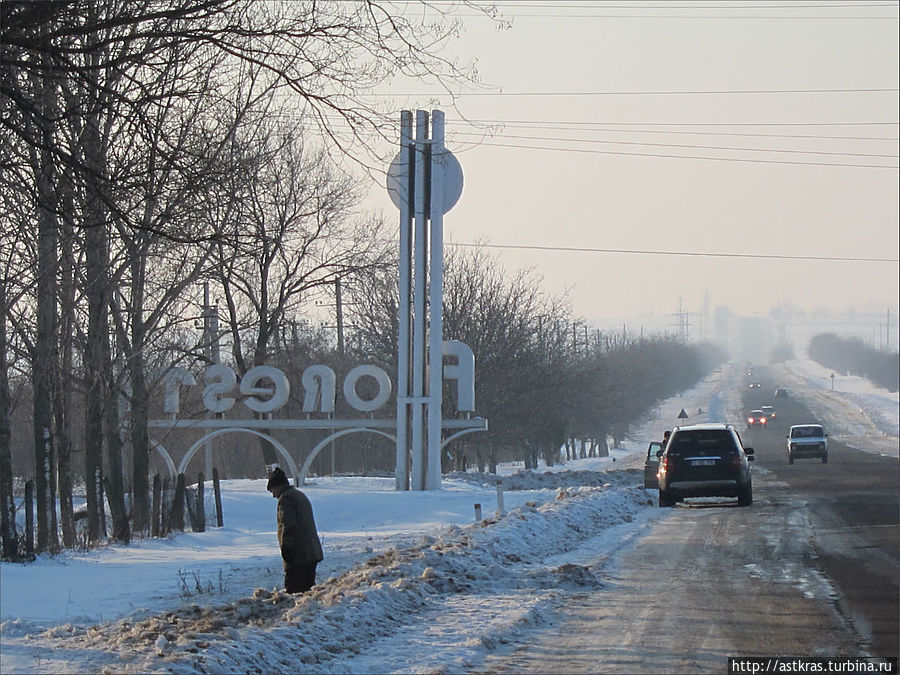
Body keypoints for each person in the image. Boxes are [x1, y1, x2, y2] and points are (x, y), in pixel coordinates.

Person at [266, 467, 323, 593]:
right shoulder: (299, 495)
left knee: (294, 591)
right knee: (307, 591)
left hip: (299, 555)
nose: (274, 495)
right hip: (310, 552)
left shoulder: (286, 499)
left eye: (272, 491)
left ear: (278, 486)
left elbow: (288, 525)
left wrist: (287, 549)